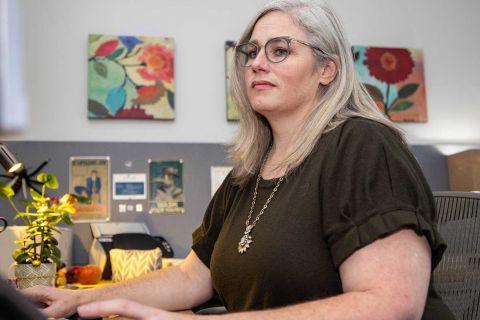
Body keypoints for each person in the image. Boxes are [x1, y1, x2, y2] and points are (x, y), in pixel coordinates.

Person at [22, 0, 454, 319]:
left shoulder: (364, 145)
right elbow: (192, 278)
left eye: (280, 50)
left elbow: (390, 307)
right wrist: (79, 301)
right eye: (251, 52)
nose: (257, 63)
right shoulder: (248, 172)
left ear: (328, 70)